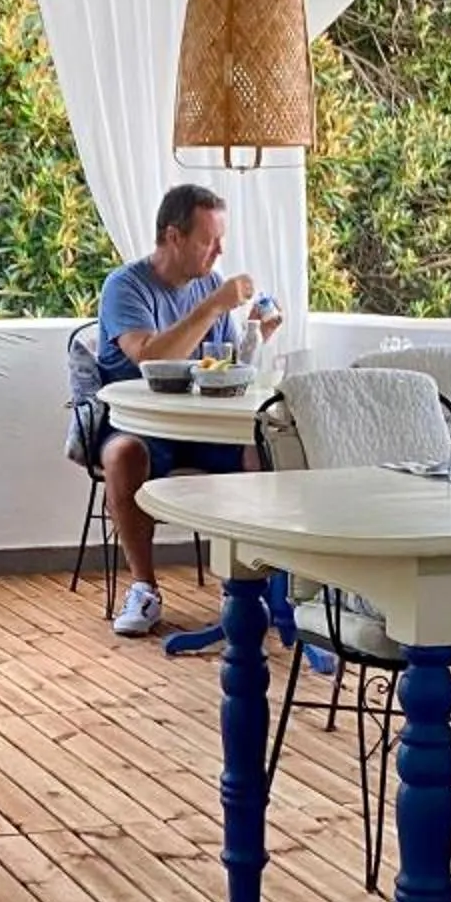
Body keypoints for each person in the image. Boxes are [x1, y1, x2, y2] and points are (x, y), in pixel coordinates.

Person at [93, 182, 282, 637]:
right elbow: (151, 358)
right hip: (140, 427)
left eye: (220, 241)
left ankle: (245, 583)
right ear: (174, 237)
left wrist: (257, 334)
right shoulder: (126, 286)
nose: (218, 252)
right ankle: (144, 589)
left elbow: (228, 365)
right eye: (208, 240)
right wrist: (213, 304)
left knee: (263, 452)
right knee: (123, 457)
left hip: (202, 425)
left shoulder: (210, 284)